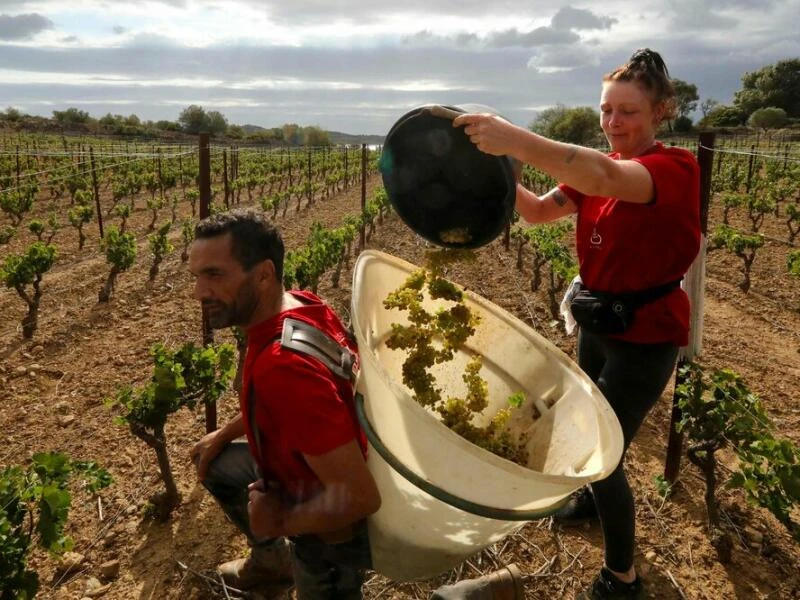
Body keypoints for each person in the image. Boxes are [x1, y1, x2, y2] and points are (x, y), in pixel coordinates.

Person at [452, 49, 701, 599]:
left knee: (598, 450)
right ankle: (590, 500)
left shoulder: (671, 170)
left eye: (628, 112)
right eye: (607, 111)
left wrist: (515, 138)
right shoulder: (598, 174)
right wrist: (499, 174)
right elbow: (540, 210)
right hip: (596, 321)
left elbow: (603, 173)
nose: (614, 123)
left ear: (662, 112)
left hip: (645, 338)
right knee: (591, 441)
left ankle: (622, 577)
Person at [188, 209, 382, 599]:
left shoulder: (283, 369)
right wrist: (223, 434)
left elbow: (360, 498)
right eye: (196, 276)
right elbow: (296, 402)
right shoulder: (302, 304)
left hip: (331, 531)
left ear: (263, 274)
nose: (199, 292)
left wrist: (279, 520)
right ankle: (272, 563)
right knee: (215, 462)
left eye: (215, 275)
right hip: (314, 461)